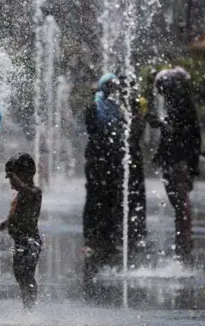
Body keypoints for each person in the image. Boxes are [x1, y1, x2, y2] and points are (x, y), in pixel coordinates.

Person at [150, 67, 201, 264]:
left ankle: (184, 239)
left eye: (163, 88)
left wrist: (192, 163)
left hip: (179, 161)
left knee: (181, 201)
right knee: (177, 201)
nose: (162, 92)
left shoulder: (183, 105)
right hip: (174, 160)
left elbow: (189, 135)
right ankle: (182, 237)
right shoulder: (175, 105)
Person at [82, 73, 125, 275]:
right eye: (109, 85)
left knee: (111, 198)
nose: (113, 89)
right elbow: (92, 130)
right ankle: (91, 238)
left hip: (113, 159)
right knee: (94, 199)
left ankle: (109, 237)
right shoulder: (94, 107)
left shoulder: (116, 108)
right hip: (97, 160)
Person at [0, 153, 43, 311]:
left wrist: (17, 181)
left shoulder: (34, 192)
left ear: (26, 174)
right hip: (20, 241)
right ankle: (26, 304)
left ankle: (29, 309)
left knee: (28, 276)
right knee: (20, 275)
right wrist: (1, 226)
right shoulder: (20, 194)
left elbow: (26, 190)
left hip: (30, 241)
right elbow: (14, 217)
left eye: (13, 178)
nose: (11, 182)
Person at [121, 75, 148, 252]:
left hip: (129, 155)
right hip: (131, 155)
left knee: (132, 192)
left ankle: (134, 229)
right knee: (135, 193)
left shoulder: (132, 107)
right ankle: (136, 229)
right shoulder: (135, 107)